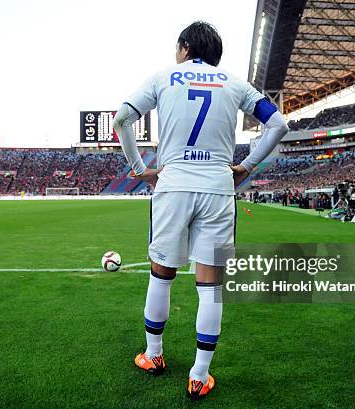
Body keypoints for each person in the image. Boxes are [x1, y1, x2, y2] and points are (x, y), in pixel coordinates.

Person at [113, 21, 288, 399]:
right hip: (217, 188)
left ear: (185, 46)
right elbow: (278, 124)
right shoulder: (235, 83)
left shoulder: (163, 77)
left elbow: (122, 119)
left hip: (173, 185)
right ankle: (199, 374)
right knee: (210, 288)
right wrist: (247, 166)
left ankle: (153, 354)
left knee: (161, 276)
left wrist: (140, 170)